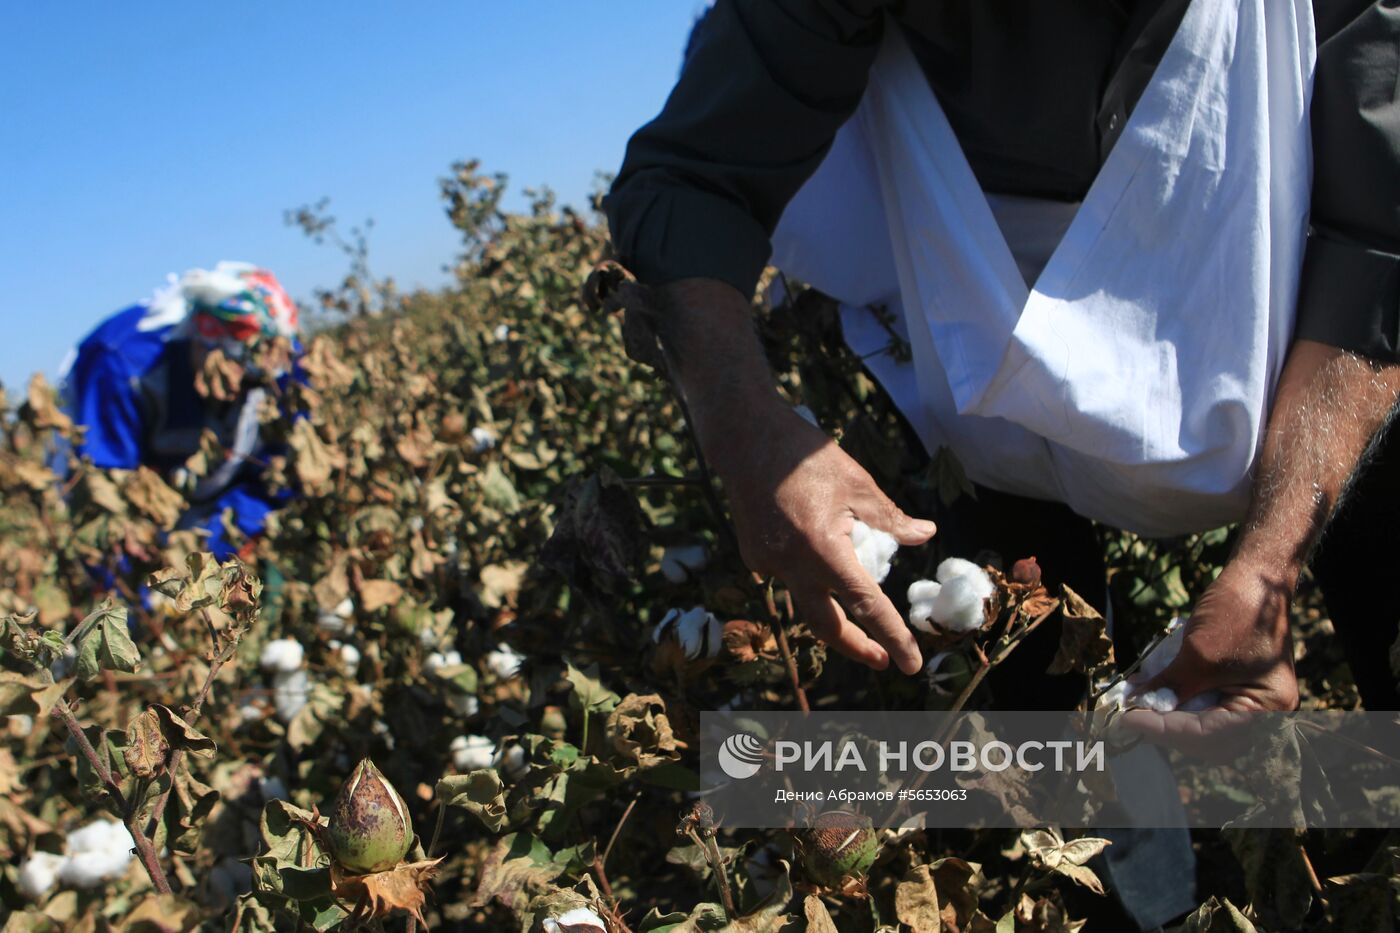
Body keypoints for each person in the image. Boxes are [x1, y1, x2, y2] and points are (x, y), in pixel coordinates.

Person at [608, 3, 1400, 926]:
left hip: (1300, 310)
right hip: (972, 334)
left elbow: (1382, 239)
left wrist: (1270, 567)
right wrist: (750, 435)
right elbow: (690, 178)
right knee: (1038, 698)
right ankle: (1126, 904)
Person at [62, 261, 302, 564]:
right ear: (203, 345)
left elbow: (275, 474)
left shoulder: (279, 366)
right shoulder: (124, 367)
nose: (239, 390)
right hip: (123, 448)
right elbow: (105, 480)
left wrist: (211, 548)